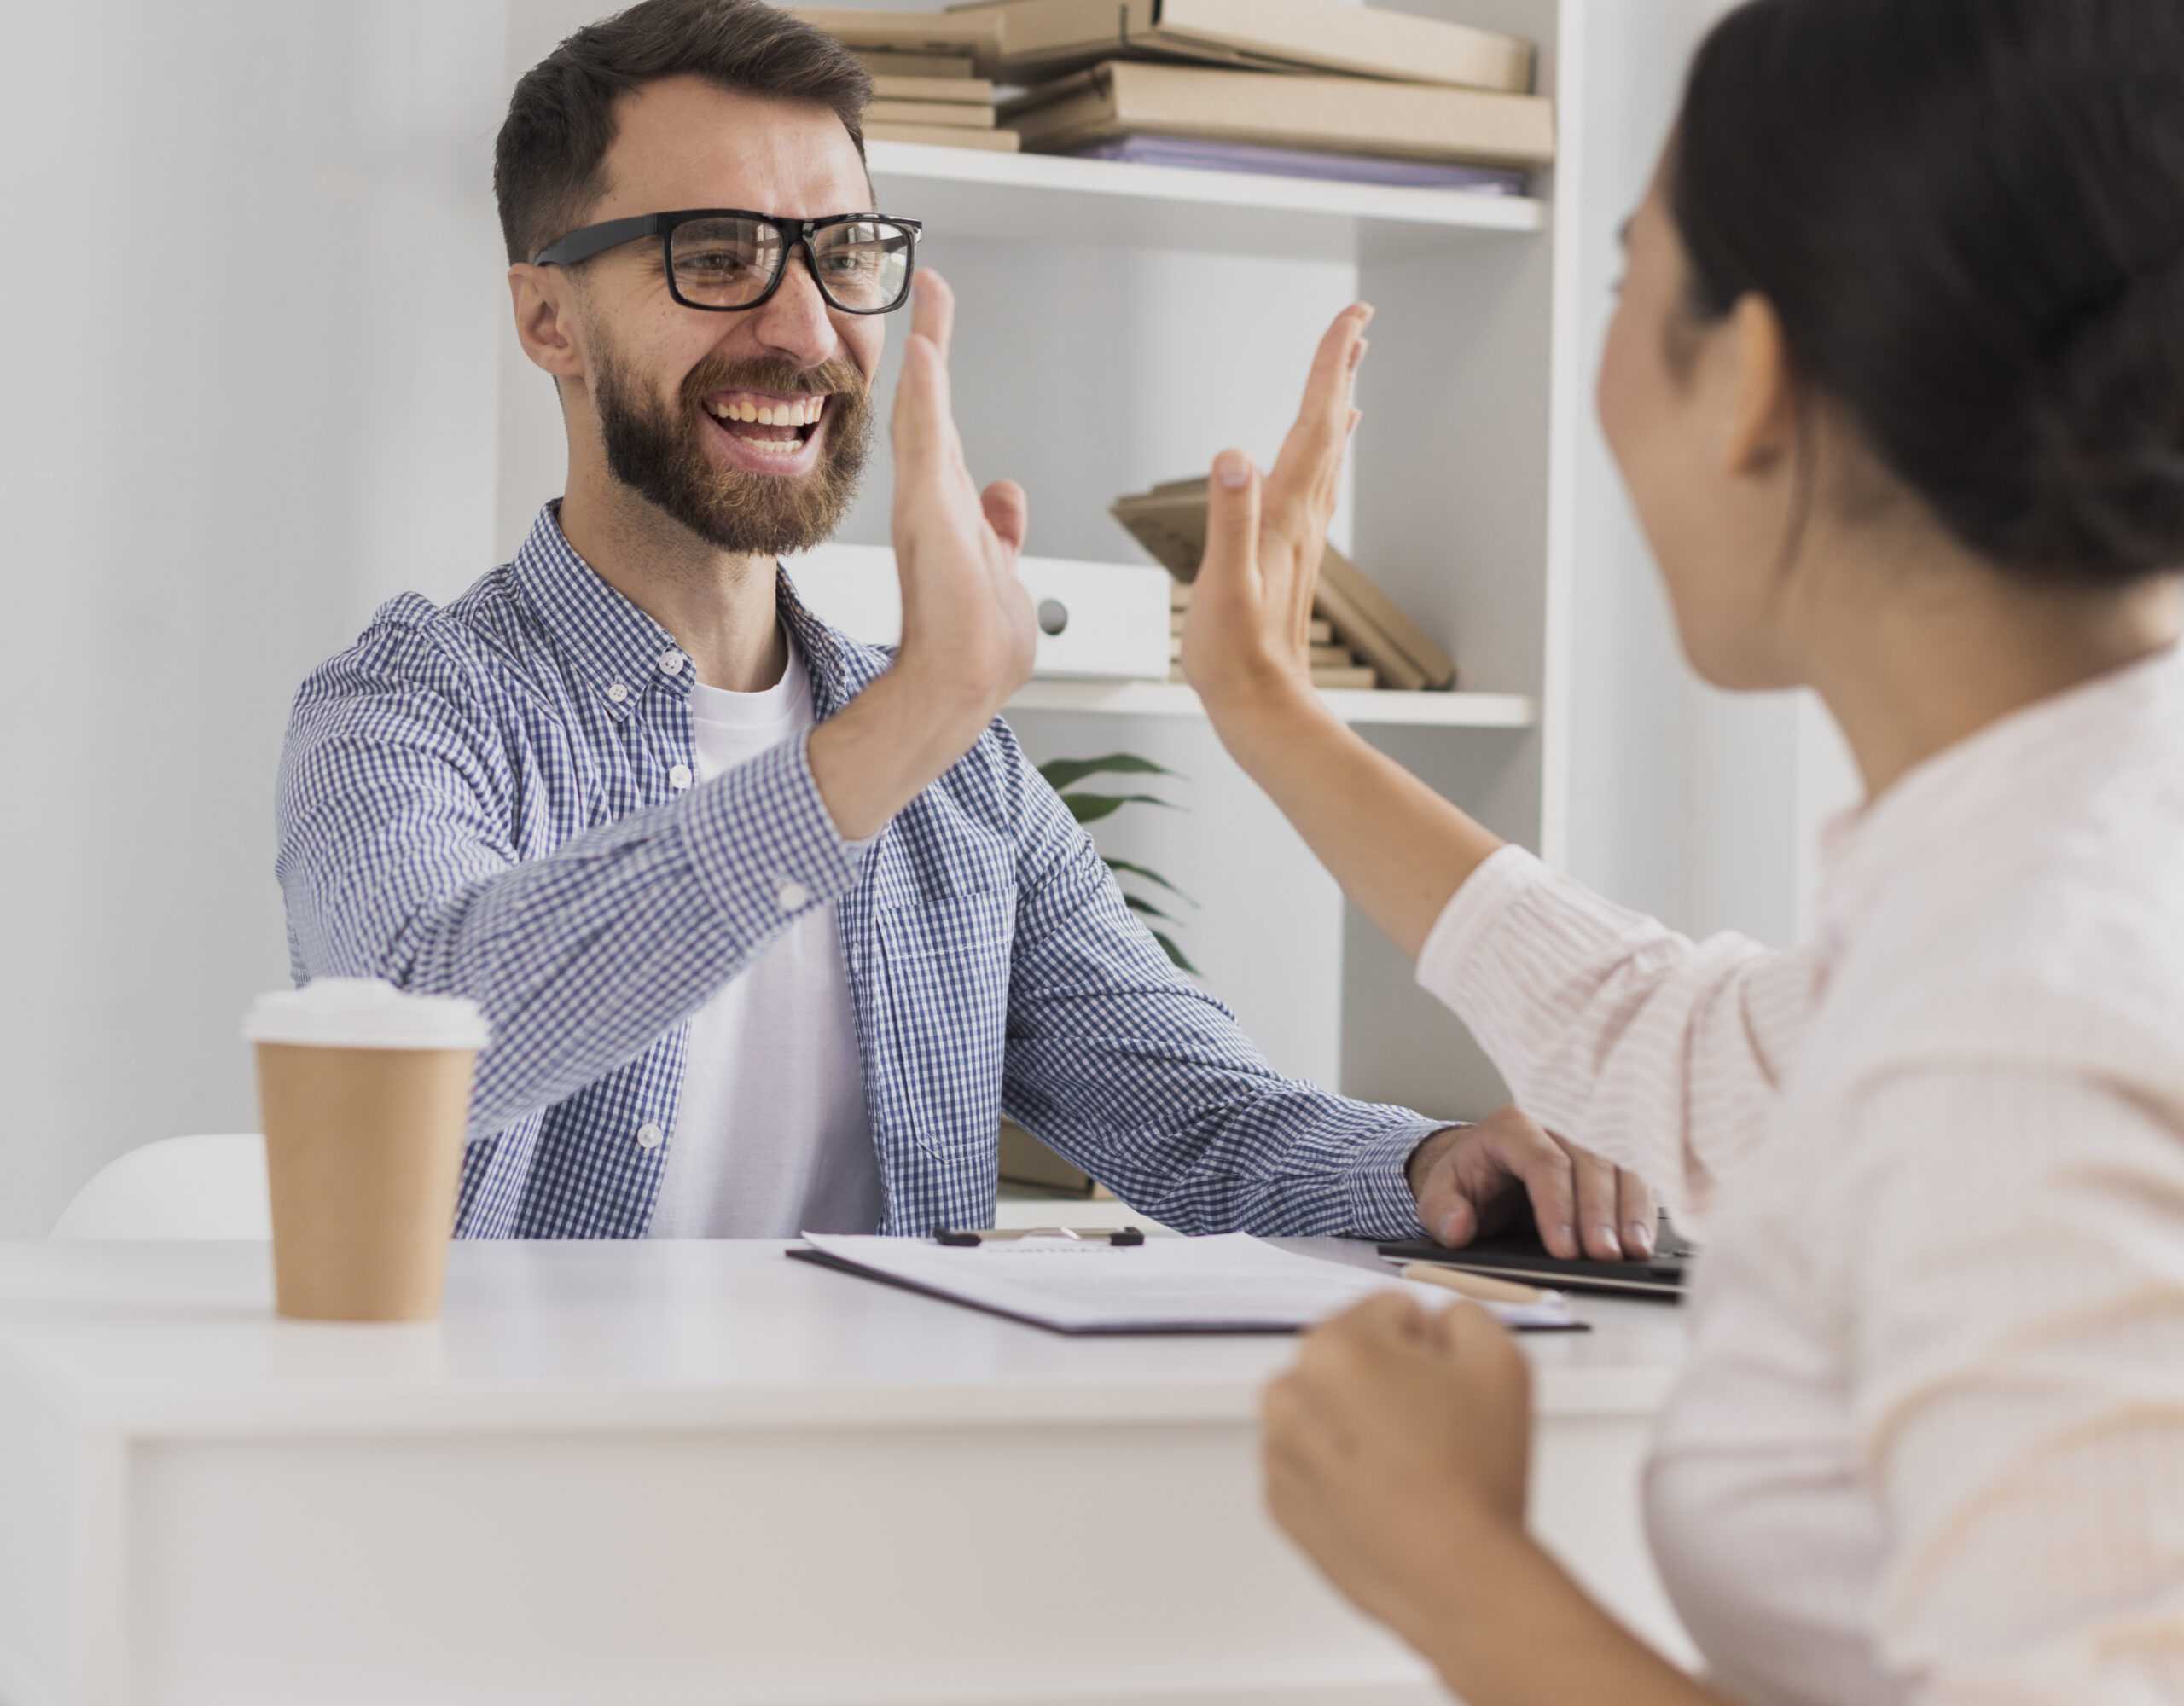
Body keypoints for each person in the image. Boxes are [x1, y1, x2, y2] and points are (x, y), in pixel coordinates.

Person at [273, 0, 1652, 1248]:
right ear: (547, 319)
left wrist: (1425, 1166)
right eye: (716, 255)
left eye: (844, 252)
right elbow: (421, 1030)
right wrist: (906, 728)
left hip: (882, 1484)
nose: (804, 328)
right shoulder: (413, 707)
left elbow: (1195, 1116)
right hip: (505, 1497)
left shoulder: (963, 781)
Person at [1179, 0, 2184, 1699]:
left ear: (1748, 380)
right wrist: (1275, 715)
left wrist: (1454, 1572)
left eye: (1620, 287)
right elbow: (1685, 1048)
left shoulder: (2018, 1021)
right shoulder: (2042, 870)